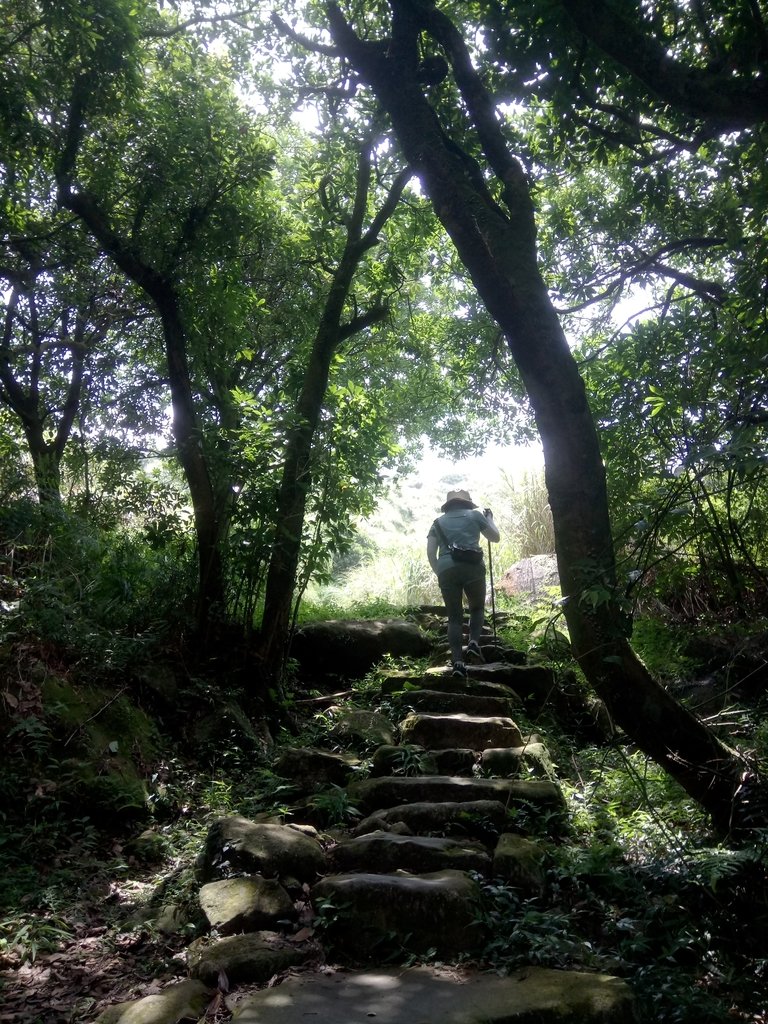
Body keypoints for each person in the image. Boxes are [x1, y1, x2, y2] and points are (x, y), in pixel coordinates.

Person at [427, 489, 500, 678]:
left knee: (454, 617)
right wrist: (489, 518)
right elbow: (495, 537)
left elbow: (430, 552)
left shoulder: (437, 523)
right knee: (476, 608)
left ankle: (458, 663)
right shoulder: (475, 516)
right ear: (467, 503)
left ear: (448, 505)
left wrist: (440, 571)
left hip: (446, 569)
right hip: (473, 567)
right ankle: (474, 643)